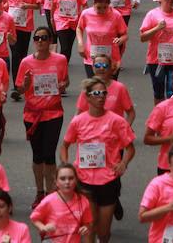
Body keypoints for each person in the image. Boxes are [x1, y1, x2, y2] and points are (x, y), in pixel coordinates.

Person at [60, 77, 136, 243]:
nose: (101, 96)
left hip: (108, 180)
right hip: (84, 181)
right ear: (87, 97)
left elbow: (130, 147)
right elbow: (64, 146)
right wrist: (66, 167)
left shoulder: (117, 121)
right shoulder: (78, 122)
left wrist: (123, 163)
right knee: (89, 227)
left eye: (104, 93)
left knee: (103, 232)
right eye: (96, 93)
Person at [15, 25, 69, 209]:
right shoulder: (26, 62)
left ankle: (52, 192)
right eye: (36, 38)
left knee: (49, 154)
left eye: (44, 38)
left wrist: (62, 85)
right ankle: (40, 191)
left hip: (54, 113)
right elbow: (19, 89)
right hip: (32, 114)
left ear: (50, 40)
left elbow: (65, 80)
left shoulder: (60, 60)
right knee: (38, 156)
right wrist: (26, 84)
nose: (39, 41)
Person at [30, 163, 93, 243]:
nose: (67, 182)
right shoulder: (49, 200)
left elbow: (87, 223)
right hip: (53, 240)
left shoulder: (83, 201)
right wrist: (43, 228)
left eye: (71, 178)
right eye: (62, 179)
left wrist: (85, 228)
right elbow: (34, 219)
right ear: (56, 182)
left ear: (76, 180)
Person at [76, 0, 128, 77]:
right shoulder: (86, 14)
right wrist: (80, 43)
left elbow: (125, 35)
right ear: (94, 3)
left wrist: (120, 40)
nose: (102, 10)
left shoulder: (116, 15)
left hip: (111, 59)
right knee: (93, 87)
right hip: (91, 57)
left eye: (105, 7)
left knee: (110, 87)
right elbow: (79, 28)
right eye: (99, 7)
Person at [74, 53, 136, 125]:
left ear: (110, 68)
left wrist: (124, 130)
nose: (101, 68)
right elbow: (78, 114)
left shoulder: (120, 88)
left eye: (105, 66)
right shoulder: (88, 88)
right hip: (92, 133)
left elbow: (131, 113)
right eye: (97, 66)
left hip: (114, 134)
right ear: (93, 68)